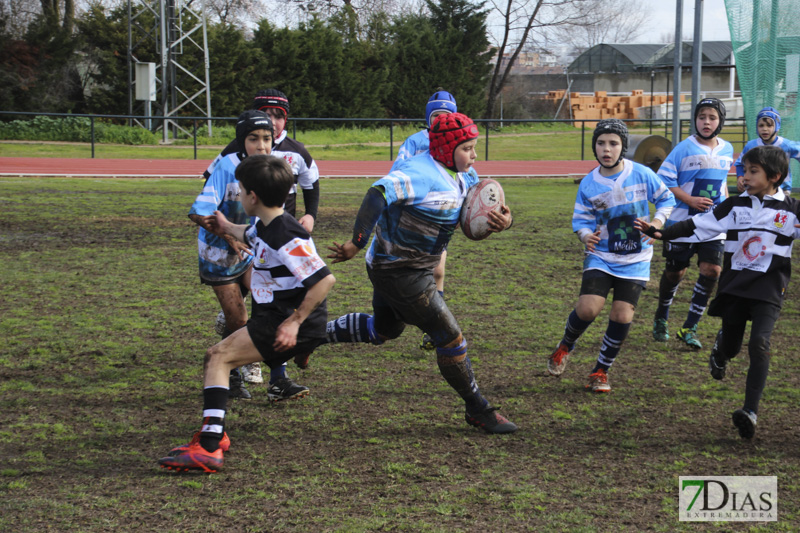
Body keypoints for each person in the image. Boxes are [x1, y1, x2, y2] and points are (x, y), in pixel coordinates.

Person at [324, 112, 518, 434]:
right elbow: (377, 194)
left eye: (474, 147)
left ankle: (312, 336)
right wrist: (356, 242)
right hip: (399, 271)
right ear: (445, 148)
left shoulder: (463, 174)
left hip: (402, 266)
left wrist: (504, 221)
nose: (474, 155)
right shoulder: (419, 172)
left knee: (384, 331)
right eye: (468, 148)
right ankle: (478, 409)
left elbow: (488, 205)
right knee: (450, 338)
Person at [160, 154, 336, 472]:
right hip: (274, 318)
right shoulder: (266, 223)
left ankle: (210, 447)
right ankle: (213, 436)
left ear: (252, 197)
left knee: (218, 357)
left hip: (284, 322)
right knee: (218, 356)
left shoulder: (287, 235)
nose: (239, 195)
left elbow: (325, 280)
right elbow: (249, 234)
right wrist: (226, 226)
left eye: (241, 191)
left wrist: (295, 323)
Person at [635, 145, 797, 439]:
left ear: (775, 176)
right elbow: (699, 225)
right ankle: (720, 351)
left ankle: (750, 411)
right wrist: (662, 232)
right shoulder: (734, 206)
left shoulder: (791, 211)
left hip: (770, 289)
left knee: (760, 344)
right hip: (736, 288)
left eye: (752, 171)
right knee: (732, 347)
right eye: (744, 170)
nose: (745, 177)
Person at [546, 119, 675, 392]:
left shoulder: (641, 174)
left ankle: (601, 371)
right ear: (594, 147)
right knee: (588, 309)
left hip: (636, 259)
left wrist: (657, 224)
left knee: (622, 316)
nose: (607, 149)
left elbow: (666, 199)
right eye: (601, 143)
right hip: (601, 256)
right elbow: (580, 219)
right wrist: (584, 235)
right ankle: (565, 346)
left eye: (613, 143)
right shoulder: (589, 184)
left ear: (623, 147)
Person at [206, 89, 319, 390]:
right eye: (265, 117)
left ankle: (274, 375)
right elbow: (210, 183)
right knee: (264, 307)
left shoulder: (295, 151)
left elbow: (312, 182)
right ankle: (262, 372)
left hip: (278, 237)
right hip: (253, 239)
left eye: (277, 117)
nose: (271, 124)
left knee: (271, 304)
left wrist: (311, 215)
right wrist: (227, 228)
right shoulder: (232, 155)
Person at [188, 110, 274, 400]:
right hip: (218, 255)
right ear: (242, 142)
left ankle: (276, 374)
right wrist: (228, 237)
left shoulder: (269, 168)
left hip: (249, 249)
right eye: (253, 139)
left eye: (266, 138)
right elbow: (197, 212)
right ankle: (234, 375)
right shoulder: (227, 167)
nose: (261, 145)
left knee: (269, 298)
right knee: (239, 318)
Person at [651, 98, 734, 349]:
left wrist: (726, 211)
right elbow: (664, 180)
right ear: (695, 120)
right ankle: (661, 317)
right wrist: (689, 199)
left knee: (713, 271)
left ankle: (690, 326)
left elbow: (721, 185)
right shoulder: (683, 149)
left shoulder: (727, 149)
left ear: (720, 121)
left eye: (712, 117)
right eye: (701, 117)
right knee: (676, 273)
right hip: (682, 223)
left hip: (712, 224)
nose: (706, 122)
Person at [391, 90, 459, 351]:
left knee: (438, 270)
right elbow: (398, 170)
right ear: (429, 118)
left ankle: (434, 328)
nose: (441, 121)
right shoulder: (415, 141)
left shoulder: (456, 144)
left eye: (446, 116)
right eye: (437, 116)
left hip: (440, 217)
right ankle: (403, 312)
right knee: (407, 272)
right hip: (414, 216)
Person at [733, 107, 800, 196]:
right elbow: (740, 164)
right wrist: (740, 177)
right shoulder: (751, 146)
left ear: (777, 126)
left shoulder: (786, 145)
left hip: (781, 191)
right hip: (756, 189)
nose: (764, 129)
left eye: (769, 125)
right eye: (761, 125)